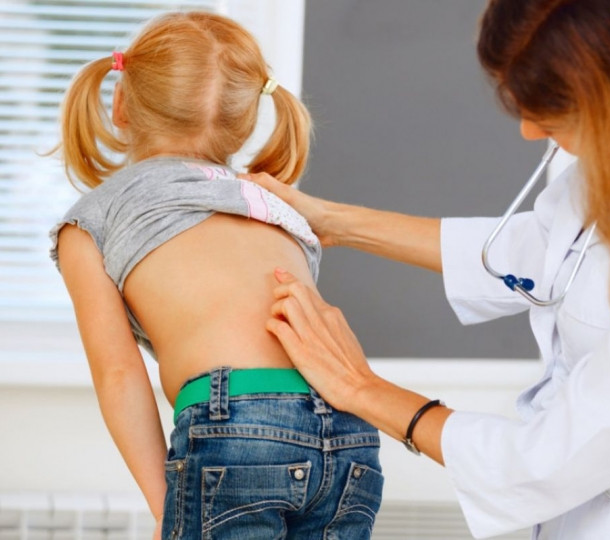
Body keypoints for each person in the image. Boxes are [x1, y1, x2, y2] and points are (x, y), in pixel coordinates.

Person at [243, 0, 610, 538]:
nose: (529, 130)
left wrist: (359, 387)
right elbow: (543, 251)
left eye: (553, 112)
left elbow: (542, 461)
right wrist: (335, 222)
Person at [48, 11, 383, 540]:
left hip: (237, 426)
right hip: (348, 425)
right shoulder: (273, 205)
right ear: (245, 122)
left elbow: (120, 375)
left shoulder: (94, 219)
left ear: (120, 104)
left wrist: (166, 507)